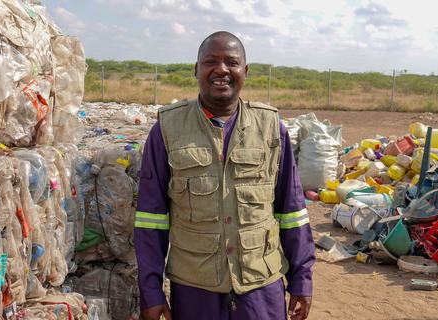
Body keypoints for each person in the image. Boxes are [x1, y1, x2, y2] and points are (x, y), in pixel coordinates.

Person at [134, 31, 315, 320]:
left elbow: (291, 211)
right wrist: (151, 292)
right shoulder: (167, 130)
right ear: (196, 69)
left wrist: (301, 278)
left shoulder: (271, 129)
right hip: (195, 290)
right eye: (210, 62)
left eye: (231, 62)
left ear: (245, 71)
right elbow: (150, 219)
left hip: (261, 289)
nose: (221, 70)